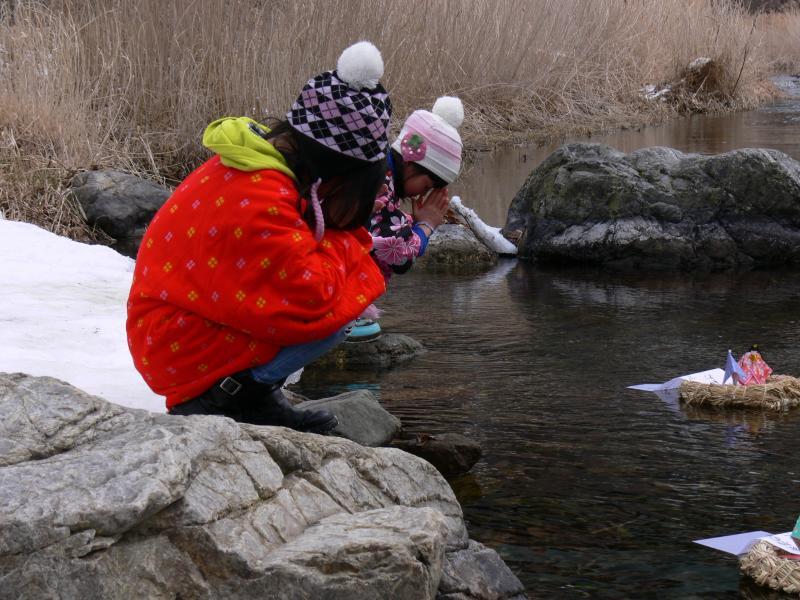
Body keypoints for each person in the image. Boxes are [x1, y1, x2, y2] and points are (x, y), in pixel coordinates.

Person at [126, 41, 392, 434]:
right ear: (335, 170)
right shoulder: (262, 198)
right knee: (334, 309)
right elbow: (310, 294)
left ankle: (256, 395)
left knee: (336, 292)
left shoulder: (256, 162)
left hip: (170, 329)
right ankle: (223, 396)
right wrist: (346, 242)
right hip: (176, 346)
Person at [348, 96, 464, 340]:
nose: (422, 193)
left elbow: (381, 226)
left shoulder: (376, 166)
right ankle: (343, 315)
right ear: (412, 162)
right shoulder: (380, 185)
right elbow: (398, 256)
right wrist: (426, 226)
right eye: (426, 185)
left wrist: (411, 221)